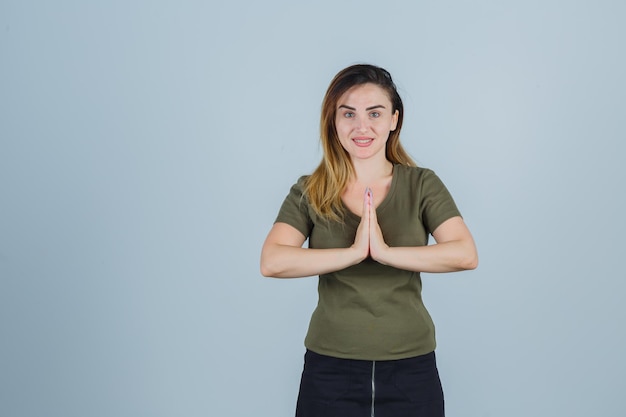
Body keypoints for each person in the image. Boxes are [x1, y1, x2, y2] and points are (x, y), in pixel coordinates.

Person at [260, 64, 478, 417]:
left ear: (394, 119)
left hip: (411, 368)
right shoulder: (310, 189)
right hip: (329, 369)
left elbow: (465, 253)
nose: (362, 126)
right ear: (334, 121)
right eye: (348, 114)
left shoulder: (422, 184)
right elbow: (272, 261)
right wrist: (353, 252)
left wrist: (386, 253)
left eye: (374, 113)